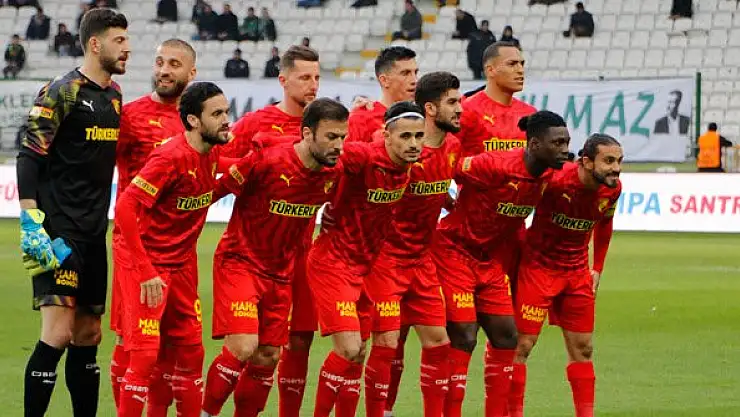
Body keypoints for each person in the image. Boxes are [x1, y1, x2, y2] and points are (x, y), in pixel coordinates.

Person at [200, 98, 347, 417]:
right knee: (243, 346)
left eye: (342, 137)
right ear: (307, 134)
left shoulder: (334, 173)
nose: (338, 145)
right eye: (331, 137)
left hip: (281, 273)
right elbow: (212, 193)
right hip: (240, 261)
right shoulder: (265, 160)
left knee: (268, 356)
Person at [16, 8, 128, 417]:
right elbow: (30, 155)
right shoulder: (61, 91)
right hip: (57, 233)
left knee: (89, 334)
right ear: (95, 44)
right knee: (58, 333)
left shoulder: (115, 97)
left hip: (94, 235)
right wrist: (31, 221)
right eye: (119, 40)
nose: (127, 48)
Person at [433, 111, 570, 417]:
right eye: (557, 143)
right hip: (454, 250)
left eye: (567, 142)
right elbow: (448, 167)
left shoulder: (549, 174)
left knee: (507, 336)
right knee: (465, 335)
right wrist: (440, 195)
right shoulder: (493, 164)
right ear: (534, 144)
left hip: (489, 259)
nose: (564, 150)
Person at [114, 82, 231, 417]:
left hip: (181, 265)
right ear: (193, 120)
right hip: (149, 265)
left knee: (192, 352)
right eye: (217, 114)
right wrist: (145, 271)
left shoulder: (212, 152)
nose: (226, 119)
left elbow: (207, 188)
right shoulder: (169, 157)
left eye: (226, 111)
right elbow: (125, 207)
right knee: (145, 356)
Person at [220, 44, 321, 417]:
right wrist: (251, 169)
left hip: (303, 251)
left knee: (298, 341)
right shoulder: (255, 124)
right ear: (283, 80)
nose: (313, 85)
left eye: (316, 77)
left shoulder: (323, 125)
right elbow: (220, 161)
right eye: (304, 77)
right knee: (246, 345)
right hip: (255, 251)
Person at [308, 101, 424, 417]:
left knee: (359, 352)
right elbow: (323, 155)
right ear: (387, 136)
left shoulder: (408, 164)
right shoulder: (364, 156)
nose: (413, 143)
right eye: (405, 136)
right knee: (349, 348)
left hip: (365, 268)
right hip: (333, 263)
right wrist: (323, 201)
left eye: (418, 136)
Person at [363, 72, 461, 417]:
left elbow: (439, 184)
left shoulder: (452, 147)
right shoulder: (392, 152)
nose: (460, 109)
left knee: (439, 342)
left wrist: (448, 200)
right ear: (431, 108)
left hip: (421, 260)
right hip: (385, 260)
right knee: (387, 343)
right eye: (453, 102)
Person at [109, 38, 197, 415]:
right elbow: (99, 169)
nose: (164, 70)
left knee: (174, 344)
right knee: (134, 342)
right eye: (160, 62)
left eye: (174, 64)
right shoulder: (130, 117)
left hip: (181, 252)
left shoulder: (196, 122)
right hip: (138, 248)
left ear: (191, 73)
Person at [510, 134, 623, 417]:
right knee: (521, 346)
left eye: (619, 161)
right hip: (537, 269)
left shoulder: (612, 189)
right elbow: (517, 210)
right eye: (609, 161)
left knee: (583, 349)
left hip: (576, 272)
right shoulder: (555, 180)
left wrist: (597, 268)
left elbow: (605, 225)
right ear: (587, 161)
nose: (616, 168)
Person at [459, 41, 535, 156]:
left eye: (521, 64)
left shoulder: (530, 114)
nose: (520, 70)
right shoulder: (466, 110)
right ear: (490, 70)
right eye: (512, 64)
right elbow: (449, 160)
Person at [347, 46, 418, 143]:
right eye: (405, 73)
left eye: (415, 72)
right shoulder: (361, 119)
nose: (414, 80)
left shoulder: (422, 117)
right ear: (384, 80)